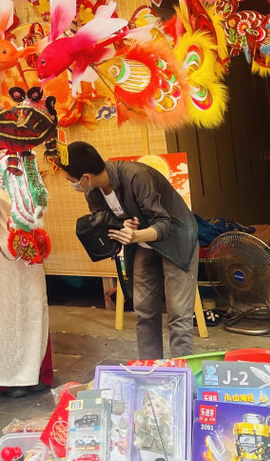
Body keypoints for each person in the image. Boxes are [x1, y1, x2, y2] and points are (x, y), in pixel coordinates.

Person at [61, 141, 198, 360]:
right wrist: (122, 227)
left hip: (176, 240)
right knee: (144, 310)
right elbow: (109, 223)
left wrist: (135, 235)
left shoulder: (136, 176)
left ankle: (181, 376)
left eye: (70, 180)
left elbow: (165, 223)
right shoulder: (93, 193)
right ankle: (149, 370)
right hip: (143, 244)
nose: (71, 184)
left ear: (85, 178)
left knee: (178, 314)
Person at [0, 154, 50, 398]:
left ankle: (33, 373)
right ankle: (10, 378)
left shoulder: (31, 175)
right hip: (1, 256)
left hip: (28, 254)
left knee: (34, 309)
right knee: (4, 314)